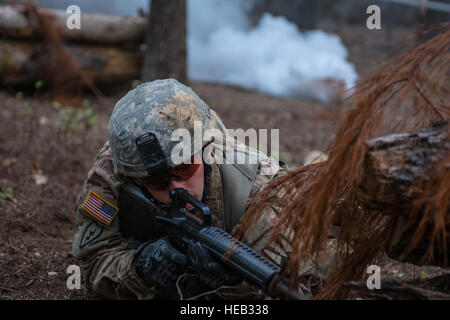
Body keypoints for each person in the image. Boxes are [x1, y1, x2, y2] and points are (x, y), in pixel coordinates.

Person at [71, 79, 287, 300]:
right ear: (134, 178)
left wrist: (228, 283)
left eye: (185, 167)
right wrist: (142, 267)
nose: (176, 187)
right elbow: (89, 265)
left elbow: (294, 285)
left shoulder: (260, 187)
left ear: (207, 148)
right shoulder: (116, 173)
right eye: (156, 180)